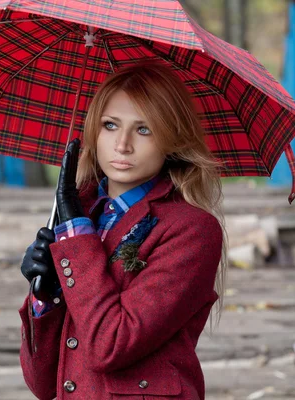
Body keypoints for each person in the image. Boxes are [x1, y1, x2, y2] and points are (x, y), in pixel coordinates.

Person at [18, 60, 228, 400]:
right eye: (110, 125)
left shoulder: (193, 231)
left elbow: (110, 345)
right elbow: (42, 384)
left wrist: (75, 235)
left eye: (144, 129)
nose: (122, 145)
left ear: (171, 140)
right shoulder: (80, 215)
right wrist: (44, 297)